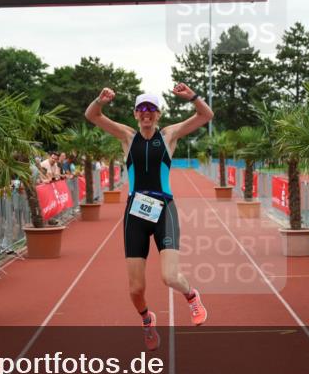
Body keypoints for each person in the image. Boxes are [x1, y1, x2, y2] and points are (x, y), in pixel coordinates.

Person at [85, 83, 213, 350]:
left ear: (158, 114)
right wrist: (100, 100)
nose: (146, 113)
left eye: (151, 109)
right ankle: (147, 319)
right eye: (141, 108)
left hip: (164, 209)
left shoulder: (169, 135)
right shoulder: (127, 136)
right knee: (135, 289)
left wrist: (192, 96)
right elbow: (92, 116)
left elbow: (206, 116)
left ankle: (191, 296)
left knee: (170, 277)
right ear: (135, 114)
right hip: (136, 214)